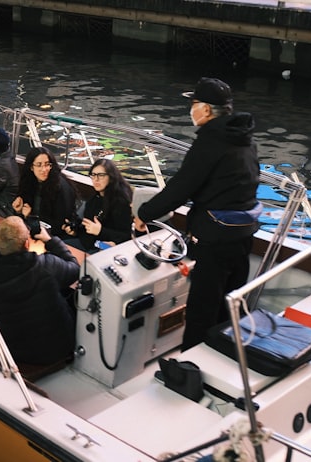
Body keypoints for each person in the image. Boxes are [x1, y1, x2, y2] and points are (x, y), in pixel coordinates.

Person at [134, 77, 261, 352]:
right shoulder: (245, 140)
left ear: (204, 109)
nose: (190, 110)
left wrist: (144, 213)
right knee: (229, 302)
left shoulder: (210, 142)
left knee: (203, 307)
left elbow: (181, 187)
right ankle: (222, 355)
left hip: (214, 238)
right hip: (242, 234)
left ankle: (190, 363)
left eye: (192, 104)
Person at [0, 216, 77, 367]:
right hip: (58, 348)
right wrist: (50, 240)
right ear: (27, 243)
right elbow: (74, 268)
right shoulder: (46, 266)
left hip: (15, 352)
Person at [64, 158, 133, 252]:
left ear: (111, 177)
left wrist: (100, 231)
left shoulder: (121, 202)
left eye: (101, 175)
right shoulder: (95, 198)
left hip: (105, 250)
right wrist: (75, 229)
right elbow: (88, 227)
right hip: (87, 243)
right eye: (93, 175)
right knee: (56, 247)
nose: (96, 179)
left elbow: (126, 236)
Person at [13, 146, 77, 238]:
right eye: (39, 165)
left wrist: (30, 217)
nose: (44, 169)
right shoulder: (29, 182)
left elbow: (59, 226)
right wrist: (18, 211)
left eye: (47, 164)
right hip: (31, 231)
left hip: (54, 237)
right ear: (31, 167)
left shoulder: (61, 187)